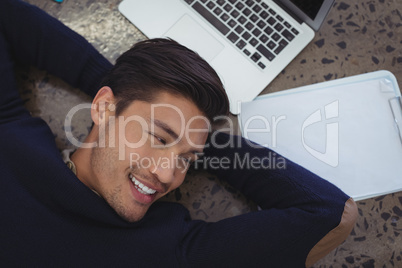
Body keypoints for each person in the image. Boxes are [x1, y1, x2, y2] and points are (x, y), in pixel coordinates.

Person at [0, 0, 357, 267]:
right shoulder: (13, 143)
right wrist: (114, 88)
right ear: (103, 108)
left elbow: (328, 212)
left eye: (188, 159)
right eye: (159, 137)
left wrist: (199, 138)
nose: (169, 175)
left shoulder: (170, 249)